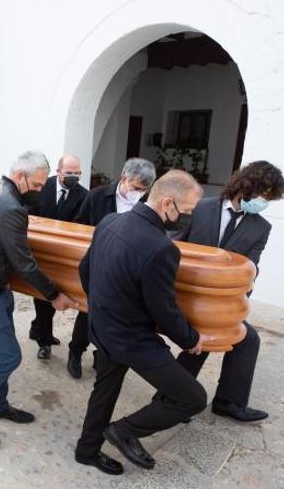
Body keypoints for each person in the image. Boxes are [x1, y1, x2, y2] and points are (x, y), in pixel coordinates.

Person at [74, 170, 210, 475]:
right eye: (185, 211)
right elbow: (163, 309)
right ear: (166, 203)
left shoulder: (110, 221)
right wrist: (190, 339)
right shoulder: (161, 248)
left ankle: (87, 450)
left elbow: (86, 271)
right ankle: (125, 430)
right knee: (192, 398)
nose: (187, 218)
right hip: (131, 340)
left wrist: (103, 306)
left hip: (102, 327)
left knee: (105, 390)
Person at [0, 150, 80, 446]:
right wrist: (54, 295)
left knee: (2, 353)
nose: (39, 191)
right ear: (20, 176)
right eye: (36, 185)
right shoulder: (8, 205)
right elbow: (25, 263)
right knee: (9, 356)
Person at [166, 160, 284, 423]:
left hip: (221, 299)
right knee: (206, 335)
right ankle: (172, 398)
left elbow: (251, 269)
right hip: (187, 291)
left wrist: (234, 306)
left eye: (269, 197)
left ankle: (228, 401)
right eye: (263, 194)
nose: (264, 201)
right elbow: (175, 244)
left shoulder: (261, 227)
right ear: (245, 185)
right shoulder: (201, 207)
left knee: (247, 338)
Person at [68, 158, 156, 378]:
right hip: (98, 263)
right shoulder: (97, 196)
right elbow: (80, 226)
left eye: (144, 190)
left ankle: (103, 357)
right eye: (136, 188)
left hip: (126, 269)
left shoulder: (147, 202)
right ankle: (75, 352)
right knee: (87, 312)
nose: (140, 193)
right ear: (124, 178)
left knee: (114, 319)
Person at [26, 153, 89, 361]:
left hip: (63, 257)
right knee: (43, 300)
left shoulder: (83, 195)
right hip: (40, 253)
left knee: (53, 299)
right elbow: (29, 212)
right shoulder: (42, 186)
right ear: (58, 171)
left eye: (77, 173)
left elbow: (80, 225)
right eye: (69, 173)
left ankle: (38, 329)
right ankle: (44, 342)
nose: (73, 176)